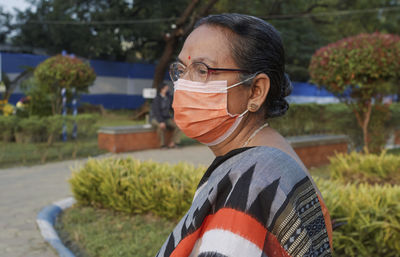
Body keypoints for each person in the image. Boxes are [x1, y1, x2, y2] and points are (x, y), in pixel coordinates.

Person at [156, 13, 333, 257]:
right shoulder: (264, 158)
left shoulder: (254, 179)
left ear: (256, 92)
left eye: (202, 70)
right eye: (181, 69)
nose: (184, 85)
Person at [151, 83, 180, 148]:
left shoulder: (168, 97)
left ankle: (173, 143)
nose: (168, 89)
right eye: (166, 88)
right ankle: (162, 145)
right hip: (156, 118)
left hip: (166, 118)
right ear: (162, 89)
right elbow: (156, 112)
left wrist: (174, 117)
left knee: (178, 126)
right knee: (161, 127)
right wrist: (161, 121)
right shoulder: (157, 99)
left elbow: (173, 108)